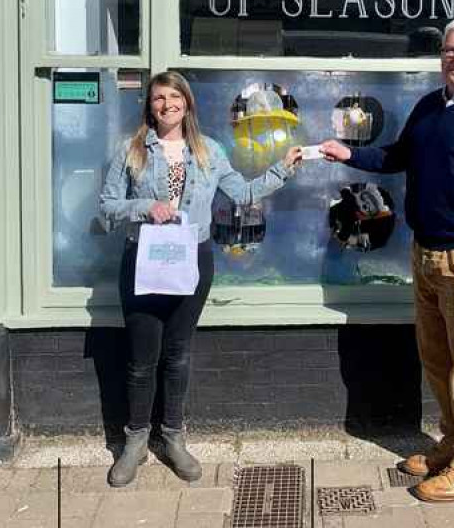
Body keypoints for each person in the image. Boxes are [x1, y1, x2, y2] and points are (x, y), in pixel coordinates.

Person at [320, 18, 454, 503]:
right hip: (426, 252)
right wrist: (347, 152)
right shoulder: (430, 107)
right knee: (437, 358)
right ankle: (453, 445)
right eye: (450, 51)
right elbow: (397, 156)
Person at [100, 71, 302, 486]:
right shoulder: (131, 150)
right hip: (143, 259)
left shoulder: (208, 150)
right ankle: (136, 441)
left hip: (192, 260)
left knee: (178, 355)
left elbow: (243, 194)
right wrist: (145, 205)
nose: (167, 104)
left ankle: (173, 437)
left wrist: (283, 168)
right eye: (159, 98)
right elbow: (107, 207)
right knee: (142, 360)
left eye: (175, 97)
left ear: (188, 104)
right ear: (149, 106)